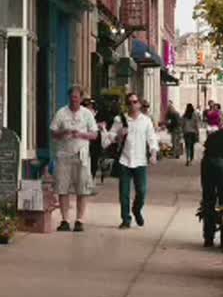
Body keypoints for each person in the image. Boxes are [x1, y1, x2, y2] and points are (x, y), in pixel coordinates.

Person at [106, 93, 159, 229]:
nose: (132, 105)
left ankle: (136, 209)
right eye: (129, 102)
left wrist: (153, 154)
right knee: (124, 193)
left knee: (141, 191)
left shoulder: (146, 120)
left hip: (140, 161)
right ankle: (126, 219)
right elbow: (110, 136)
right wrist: (118, 135)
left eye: (135, 102)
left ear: (139, 104)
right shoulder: (120, 119)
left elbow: (152, 139)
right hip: (124, 160)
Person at [50, 87, 99, 232]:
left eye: (76, 97)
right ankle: (65, 219)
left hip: (81, 155)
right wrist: (63, 132)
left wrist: (81, 134)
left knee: (82, 188)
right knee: (62, 188)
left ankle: (79, 220)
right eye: (72, 97)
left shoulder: (87, 114)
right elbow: (53, 132)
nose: (74, 100)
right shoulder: (61, 113)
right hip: (64, 155)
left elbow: (94, 134)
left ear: (81, 98)